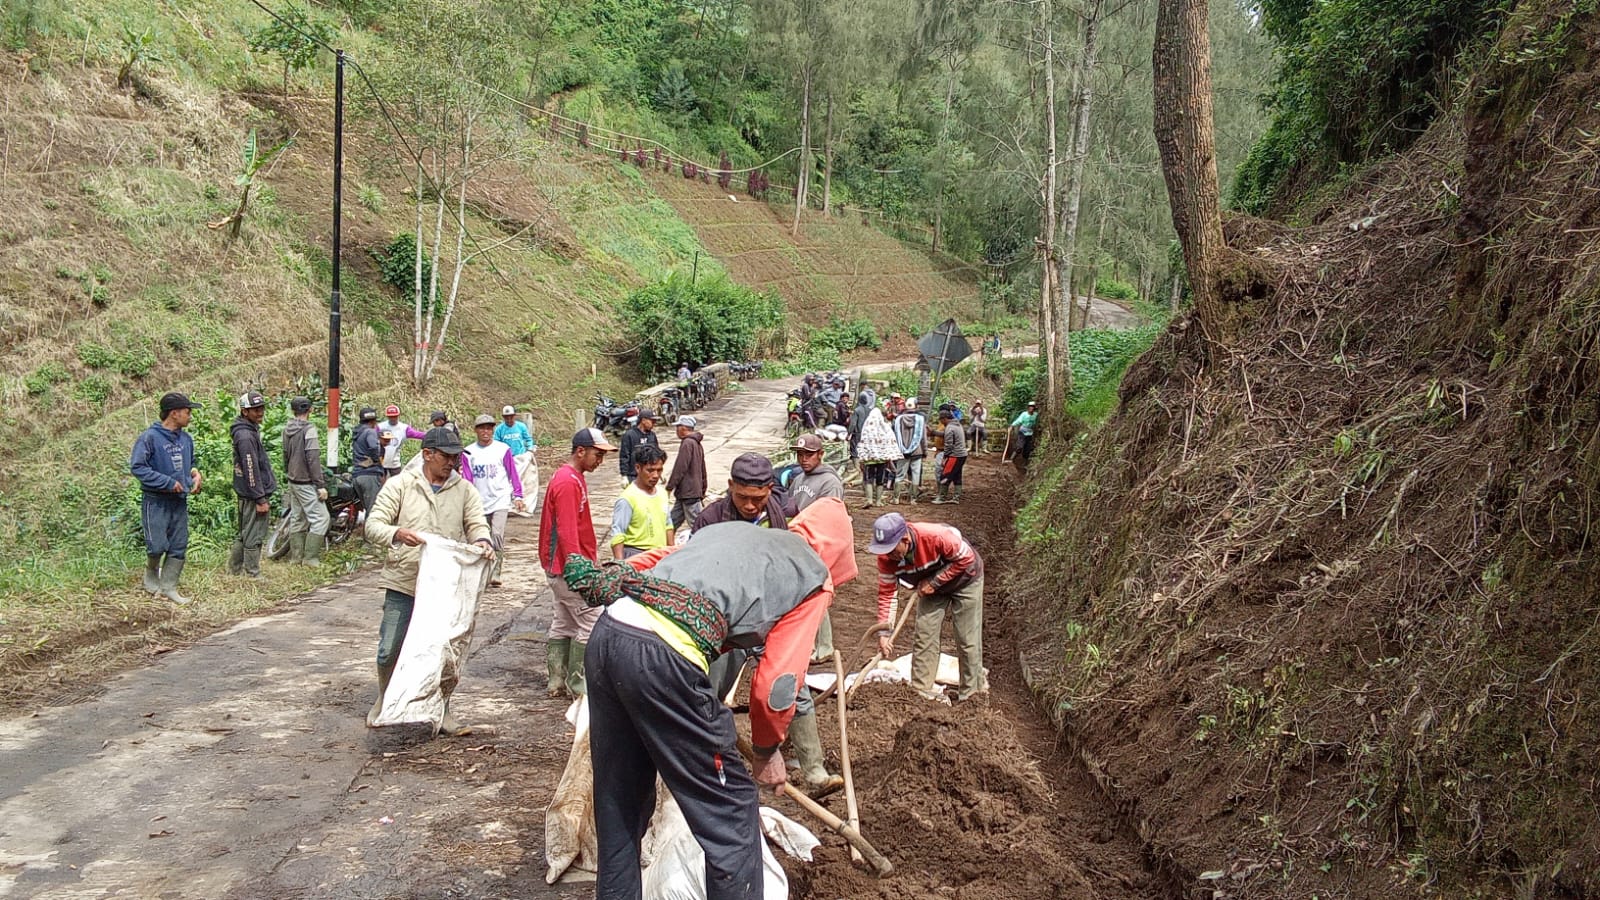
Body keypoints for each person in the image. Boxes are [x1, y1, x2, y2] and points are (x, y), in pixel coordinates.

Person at [568, 498, 856, 897]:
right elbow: (778, 685)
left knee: (620, 800)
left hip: (611, 632)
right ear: (837, 555)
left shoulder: (735, 533)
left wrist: (618, 573)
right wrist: (766, 750)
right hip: (662, 656)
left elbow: (664, 557)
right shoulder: (812, 576)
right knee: (732, 809)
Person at [363, 427, 494, 736]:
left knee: (444, 653)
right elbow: (373, 525)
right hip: (404, 580)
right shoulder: (401, 486)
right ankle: (385, 698)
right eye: (446, 457)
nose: (452, 463)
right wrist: (397, 533)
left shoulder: (464, 490)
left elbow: (477, 524)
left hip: (445, 587)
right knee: (389, 648)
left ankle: (442, 708)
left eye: (456, 458)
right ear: (427, 454)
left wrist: (482, 541)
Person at [868, 512, 987, 702]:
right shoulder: (885, 559)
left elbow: (967, 558)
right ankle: (921, 693)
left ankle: (971, 696)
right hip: (930, 587)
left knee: (967, 638)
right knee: (925, 634)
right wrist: (884, 634)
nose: (887, 555)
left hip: (965, 580)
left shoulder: (936, 537)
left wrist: (934, 581)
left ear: (905, 540)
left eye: (891, 549)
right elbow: (888, 594)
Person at [539, 427, 616, 697]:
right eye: (597, 454)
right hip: (567, 567)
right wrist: (578, 567)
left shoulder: (572, 477)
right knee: (592, 618)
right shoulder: (567, 482)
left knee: (564, 620)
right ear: (580, 451)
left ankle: (556, 681)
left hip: (560, 565)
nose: (600, 461)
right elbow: (567, 529)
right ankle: (579, 684)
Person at [131, 392, 202, 604]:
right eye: (187, 412)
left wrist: (195, 473)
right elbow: (138, 467)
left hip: (179, 501)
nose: (190, 417)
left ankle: (169, 586)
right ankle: (151, 576)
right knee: (157, 545)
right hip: (156, 501)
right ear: (174, 413)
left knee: (179, 545)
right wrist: (168, 483)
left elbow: (191, 463)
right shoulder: (149, 438)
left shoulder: (186, 439)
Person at [787, 432, 845, 666]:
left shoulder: (830, 482)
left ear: (820, 454)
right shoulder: (798, 479)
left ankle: (824, 647)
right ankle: (809, 644)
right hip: (798, 543)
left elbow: (831, 517)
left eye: (809, 454)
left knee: (817, 593)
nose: (804, 459)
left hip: (818, 544)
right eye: (800, 454)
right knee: (801, 596)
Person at [464, 414, 526, 587]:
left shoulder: (503, 449)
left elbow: (512, 473)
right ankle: (480, 571)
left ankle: (495, 570)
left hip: (500, 499)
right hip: (478, 501)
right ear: (476, 430)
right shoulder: (469, 452)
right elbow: (467, 478)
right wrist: (466, 500)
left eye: (489, 428)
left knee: (497, 534)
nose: (486, 431)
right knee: (479, 536)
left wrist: (518, 495)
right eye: (482, 428)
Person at [227, 391, 277, 579]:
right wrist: (260, 498)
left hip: (247, 492)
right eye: (255, 409)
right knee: (253, 535)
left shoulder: (248, 430)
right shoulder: (245, 436)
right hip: (252, 494)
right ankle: (252, 574)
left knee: (244, 532)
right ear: (244, 411)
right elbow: (251, 468)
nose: (260, 412)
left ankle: (234, 571)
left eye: (261, 408)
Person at [282, 396, 330, 566]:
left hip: (292, 479)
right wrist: (320, 485)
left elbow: (285, 455)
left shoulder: (287, 428)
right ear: (310, 410)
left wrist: (289, 472)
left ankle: (296, 558)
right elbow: (313, 458)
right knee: (321, 518)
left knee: (298, 517)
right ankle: (310, 558)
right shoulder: (309, 429)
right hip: (305, 481)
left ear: (293, 410)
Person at [693, 452, 789, 531]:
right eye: (742, 497)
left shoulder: (788, 513)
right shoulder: (710, 519)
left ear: (770, 489)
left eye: (758, 499)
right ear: (731, 485)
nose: (749, 506)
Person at [610, 445, 673, 559]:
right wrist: (620, 566)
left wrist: (673, 555)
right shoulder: (627, 499)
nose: (655, 475)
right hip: (636, 556)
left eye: (659, 470)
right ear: (638, 468)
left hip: (660, 555)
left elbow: (668, 525)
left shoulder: (662, 494)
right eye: (650, 470)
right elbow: (618, 533)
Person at [855, 403, 902, 509]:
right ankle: (879, 501)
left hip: (869, 459)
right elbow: (890, 442)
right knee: (880, 480)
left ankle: (869, 499)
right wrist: (889, 456)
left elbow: (862, 443)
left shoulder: (866, 428)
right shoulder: (885, 428)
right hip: (882, 459)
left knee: (869, 479)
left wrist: (862, 458)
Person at [665, 415, 706, 531]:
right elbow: (703, 469)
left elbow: (680, 467)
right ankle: (663, 542)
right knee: (671, 523)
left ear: (683, 428)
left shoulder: (687, 443)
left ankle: (706, 544)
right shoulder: (697, 443)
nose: (676, 431)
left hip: (689, 492)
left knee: (697, 526)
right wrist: (703, 489)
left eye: (677, 427)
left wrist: (670, 486)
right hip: (687, 492)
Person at [892, 398, 928, 504]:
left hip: (902, 451)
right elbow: (923, 438)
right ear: (916, 407)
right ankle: (913, 499)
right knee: (916, 475)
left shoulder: (898, 420)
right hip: (917, 452)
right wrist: (925, 451)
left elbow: (894, 436)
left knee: (899, 475)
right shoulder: (920, 420)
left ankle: (896, 498)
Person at [350, 407, 386, 514]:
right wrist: (377, 461)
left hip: (357, 475)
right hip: (369, 475)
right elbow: (374, 448)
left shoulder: (357, 433)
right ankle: (371, 531)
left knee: (368, 508)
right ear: (373, 421)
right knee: (374, 511)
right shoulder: (370, 432)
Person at [616, 409, 660, 489]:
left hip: (649, 474)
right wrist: (624, 475)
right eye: (652, 421)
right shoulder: (629, 435)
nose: (654, 424)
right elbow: (624, 455)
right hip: (633, 475)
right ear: (643, 420)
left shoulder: (652, 436)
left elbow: (656, 454)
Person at [934, 407, 969, 504]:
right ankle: (956, 497)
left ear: (944, 419)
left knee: (945, 475)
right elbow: (944, 435)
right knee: (957, 476)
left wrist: (945, 458)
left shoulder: (949, 428)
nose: (941, 422)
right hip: (962, 454)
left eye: (941, 420)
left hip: (955, 455)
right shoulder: (957, 425)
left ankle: (942, 497)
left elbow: (948, 445)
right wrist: (933, 432)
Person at [380, 405, 425, 478]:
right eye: (390, 417)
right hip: (381, 464)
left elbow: (417, 434)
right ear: (387, 416)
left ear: (398, 416)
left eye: (395, 416)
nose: (393, 418)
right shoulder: (380, 427)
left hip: (395, 464)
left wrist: (432, 436)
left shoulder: (403, 428)